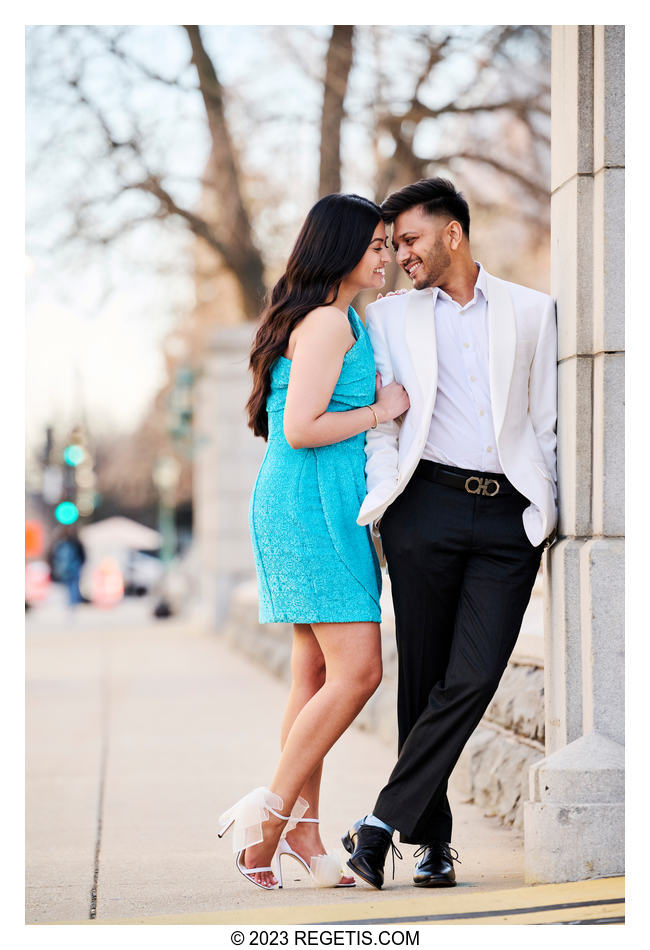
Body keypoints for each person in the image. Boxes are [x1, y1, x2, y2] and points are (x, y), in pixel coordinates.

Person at [341, 177, 557, 889]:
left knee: (474, 675)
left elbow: (547, 421)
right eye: (394, 243)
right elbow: (386, 421)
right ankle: (430, 843)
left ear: (452, 234)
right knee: (424, 678)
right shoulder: (389, 318)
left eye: (408, 239)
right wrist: (384, 500)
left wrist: (545, 507)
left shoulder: (532, 310)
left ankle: (378, 824)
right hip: (423, 507)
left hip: (507, 518)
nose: (400, 253)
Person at [218, 193, 410, 891]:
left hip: (306, 503)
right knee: (359, 671)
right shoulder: (329, 323)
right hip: (310, 508)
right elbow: (300, 427)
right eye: (377, 245)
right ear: (342, 250)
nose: (387, 256)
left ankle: (300, 833)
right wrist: (378, 410)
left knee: (314, 675)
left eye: (391, 244)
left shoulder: (334, 317)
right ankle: (265, 819)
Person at [49, 526, 87, 607]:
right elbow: (82, 555)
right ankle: (72, 603)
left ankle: (65, 604)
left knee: (63, 590)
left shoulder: (58, 543)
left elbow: (50, 556)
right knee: (72, 588)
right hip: (73, 570)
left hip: (62, 571)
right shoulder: (75, 542)